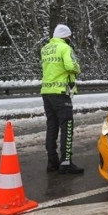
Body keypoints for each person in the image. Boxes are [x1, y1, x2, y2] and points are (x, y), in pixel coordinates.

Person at [41, 24, 83, 174]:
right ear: (65, 37)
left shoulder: (45, 49)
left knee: (51, 126)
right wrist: (77, 66)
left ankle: (52, 162)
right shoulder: (65, 48)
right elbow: (72, 66)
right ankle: (66, 162)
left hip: (46, 92)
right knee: (67, 126)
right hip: (61, 92)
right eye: (68, 37)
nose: (69, 40)